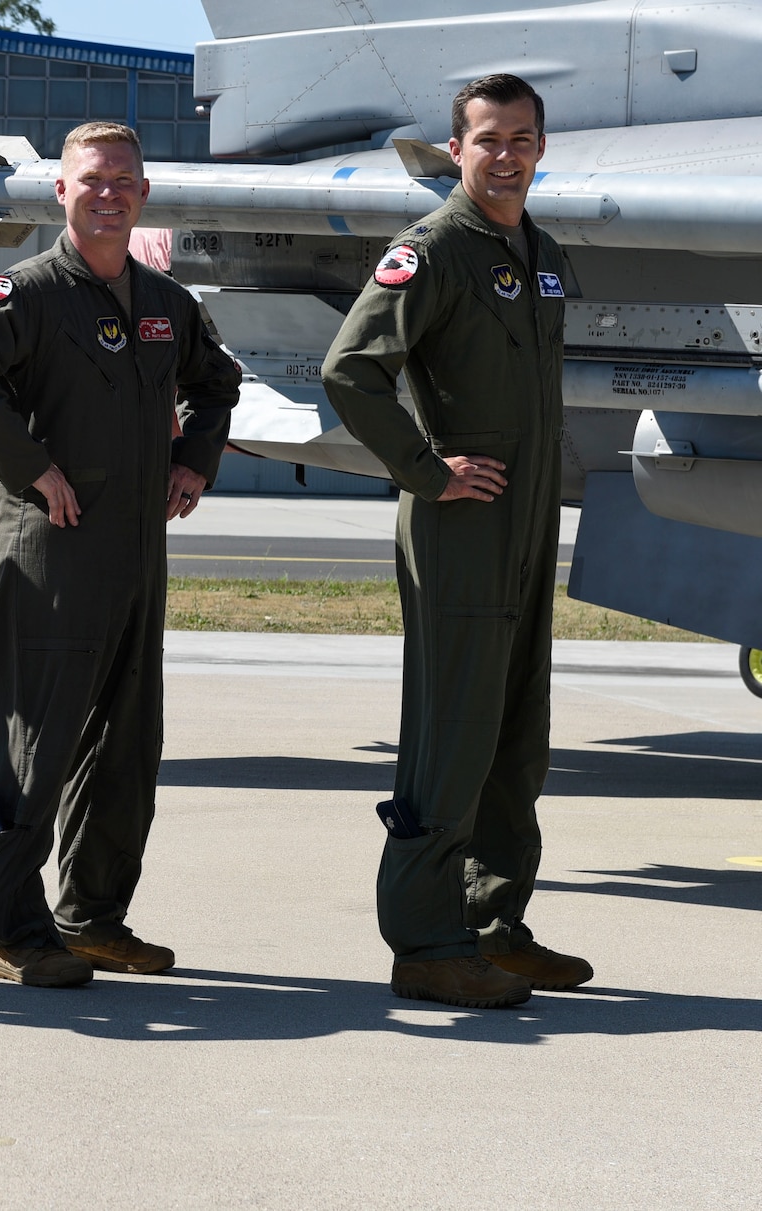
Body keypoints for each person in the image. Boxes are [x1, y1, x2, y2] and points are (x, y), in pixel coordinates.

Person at [0, 121, 241, 988]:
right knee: (37, 741)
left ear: (144, 194)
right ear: (61, 192)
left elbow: (218, 382)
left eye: (125, 181)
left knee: (127, 742)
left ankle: (93, 917)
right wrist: (30, 468)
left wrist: (194, 459)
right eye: (93, 179)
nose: (110, 193)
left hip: (137, 553)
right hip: (53, 547)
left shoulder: (167, 305)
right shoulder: (26, 293)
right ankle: (14, 929)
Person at [323, 74, 591, 1010]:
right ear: (456, 150)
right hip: (462, 526)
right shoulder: (431, 250)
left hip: (524, 527)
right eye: (487, 139)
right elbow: (351, 372)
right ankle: (426, 940)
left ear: (541, 148)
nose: (506, 154)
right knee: (452, 733)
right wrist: (426, 468)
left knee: (518, 737)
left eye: (522, 138)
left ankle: (492, 924)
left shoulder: (541, 252)